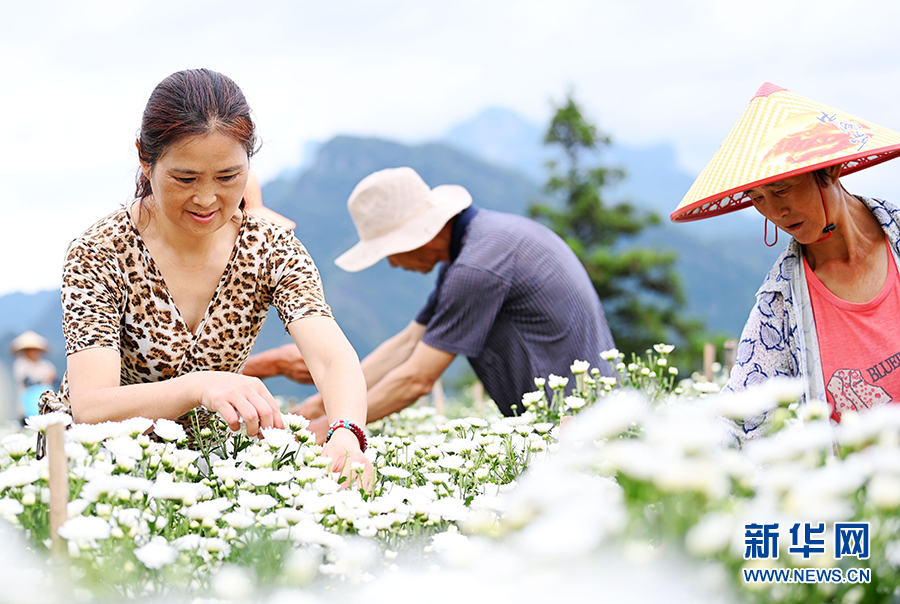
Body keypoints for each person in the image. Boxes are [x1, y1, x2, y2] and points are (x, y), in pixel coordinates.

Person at [40, 68, 372, 486]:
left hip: (212, 474)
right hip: (98, 472)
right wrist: (200, 386)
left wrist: (346, 433)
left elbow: (332, 357)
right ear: (145, 159)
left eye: (228, 177)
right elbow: (92, 406)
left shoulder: (271, 248)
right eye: (185, 178)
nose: (206, 198)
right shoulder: (100, 253)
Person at [291, 166, 617, 438]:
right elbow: (407, 343)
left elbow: (416, 379)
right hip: (588, 416)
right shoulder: (479, 245)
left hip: (576, 429)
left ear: (422, 233)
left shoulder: (477, 267)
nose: (392, 263)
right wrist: (325, 402)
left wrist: (336, 428)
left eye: (390, 250)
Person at [670, 82, 900, 437]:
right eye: (757, 197)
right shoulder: (780, 303)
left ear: (831, 170)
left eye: (781, 188)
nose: (775, 210)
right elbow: (738, 416)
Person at [11, 331, 57, 421]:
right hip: (28, 403)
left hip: (46, 402)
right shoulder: (21, 364)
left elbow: (55, 380)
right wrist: (43, 380)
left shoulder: (46, 365)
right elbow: (27, 382)